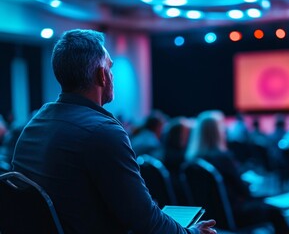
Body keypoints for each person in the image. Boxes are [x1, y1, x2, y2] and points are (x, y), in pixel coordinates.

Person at [12, 29, 216, 234]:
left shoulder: (34, 126)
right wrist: (193, 233)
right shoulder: (102, 132)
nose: (112, 74)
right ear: (102, 75)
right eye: (110, 67)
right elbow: (145, 222)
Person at [186, 110, 289, 234]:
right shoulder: (222, 158)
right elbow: (244, 191)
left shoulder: (194, 161)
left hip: (210, 217)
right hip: (234, 215)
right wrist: (248, 184)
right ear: (217, 132)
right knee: (275, 211)